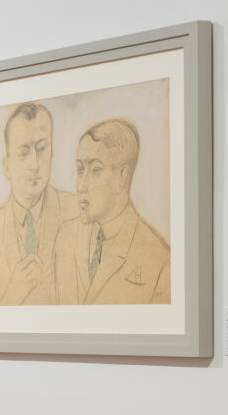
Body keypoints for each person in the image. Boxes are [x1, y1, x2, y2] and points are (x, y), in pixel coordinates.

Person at [0, 102, 74, 304]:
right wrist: (14, 292)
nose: (35, 164)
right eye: (23, 153)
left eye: (42, 149)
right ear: (6, 166)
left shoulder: (78, 212)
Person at [52, 117, 170, 303]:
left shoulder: (159, 260)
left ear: (122, 177)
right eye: (80, 170)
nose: (81, 186)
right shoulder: (65, 238)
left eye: (96, 170)